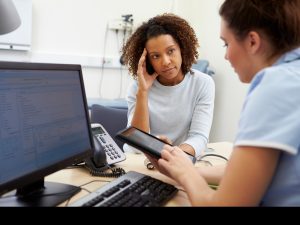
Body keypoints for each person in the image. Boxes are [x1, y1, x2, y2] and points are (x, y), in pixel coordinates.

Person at [147, 0, 300, 206]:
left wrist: (184, 173)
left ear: (252, 42)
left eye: (226, 43)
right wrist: (188, 169)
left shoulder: (274, 86)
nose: (226, 56)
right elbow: (246, 174)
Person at [121, 14, 215, 159]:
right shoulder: (138, 87)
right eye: (156, 56)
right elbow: (136, 143)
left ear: (182, 48)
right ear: (147, 60)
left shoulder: (202, 83)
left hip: (178, 159)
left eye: (171, 51)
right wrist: (143, 92)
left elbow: (199, 137)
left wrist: (170, 155)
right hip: (140, 161)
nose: (166, 62)